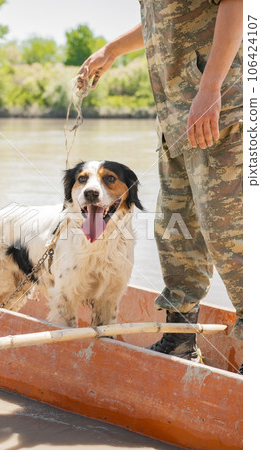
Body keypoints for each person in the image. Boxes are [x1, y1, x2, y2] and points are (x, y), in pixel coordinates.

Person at [78, 0, 243, 368]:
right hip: (176, 121)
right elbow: (161, 22)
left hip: (222, 110)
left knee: (232, 235)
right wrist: (111, 50)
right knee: (175, 232)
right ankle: (181, 339)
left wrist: (211, 84)